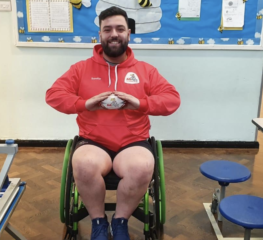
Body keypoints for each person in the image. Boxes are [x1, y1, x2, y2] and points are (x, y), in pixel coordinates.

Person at [46, 6, 180, 240]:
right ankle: (98, 222)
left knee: (142, 166)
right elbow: (54, 95)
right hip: (93, 141)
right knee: (84, 164)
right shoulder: (81, 69)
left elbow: (172, 100)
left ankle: (120, 222)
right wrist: (84, 104)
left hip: (133, 142)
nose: (114, 34)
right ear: (100, 35)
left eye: (120, 29)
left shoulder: (146, 71)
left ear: (129, 33)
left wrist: (140, 103)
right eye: (107, 29)